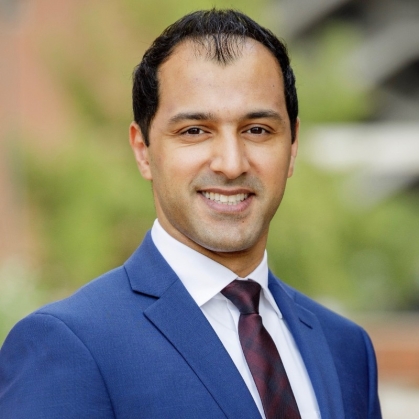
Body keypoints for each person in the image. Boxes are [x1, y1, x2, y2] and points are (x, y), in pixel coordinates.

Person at [0, 9, 381, 419]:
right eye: (195, 131)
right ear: (143, 150)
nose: (231, 164)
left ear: (292, 146)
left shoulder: (347, 349)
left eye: (257, 129)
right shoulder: (68, 345)